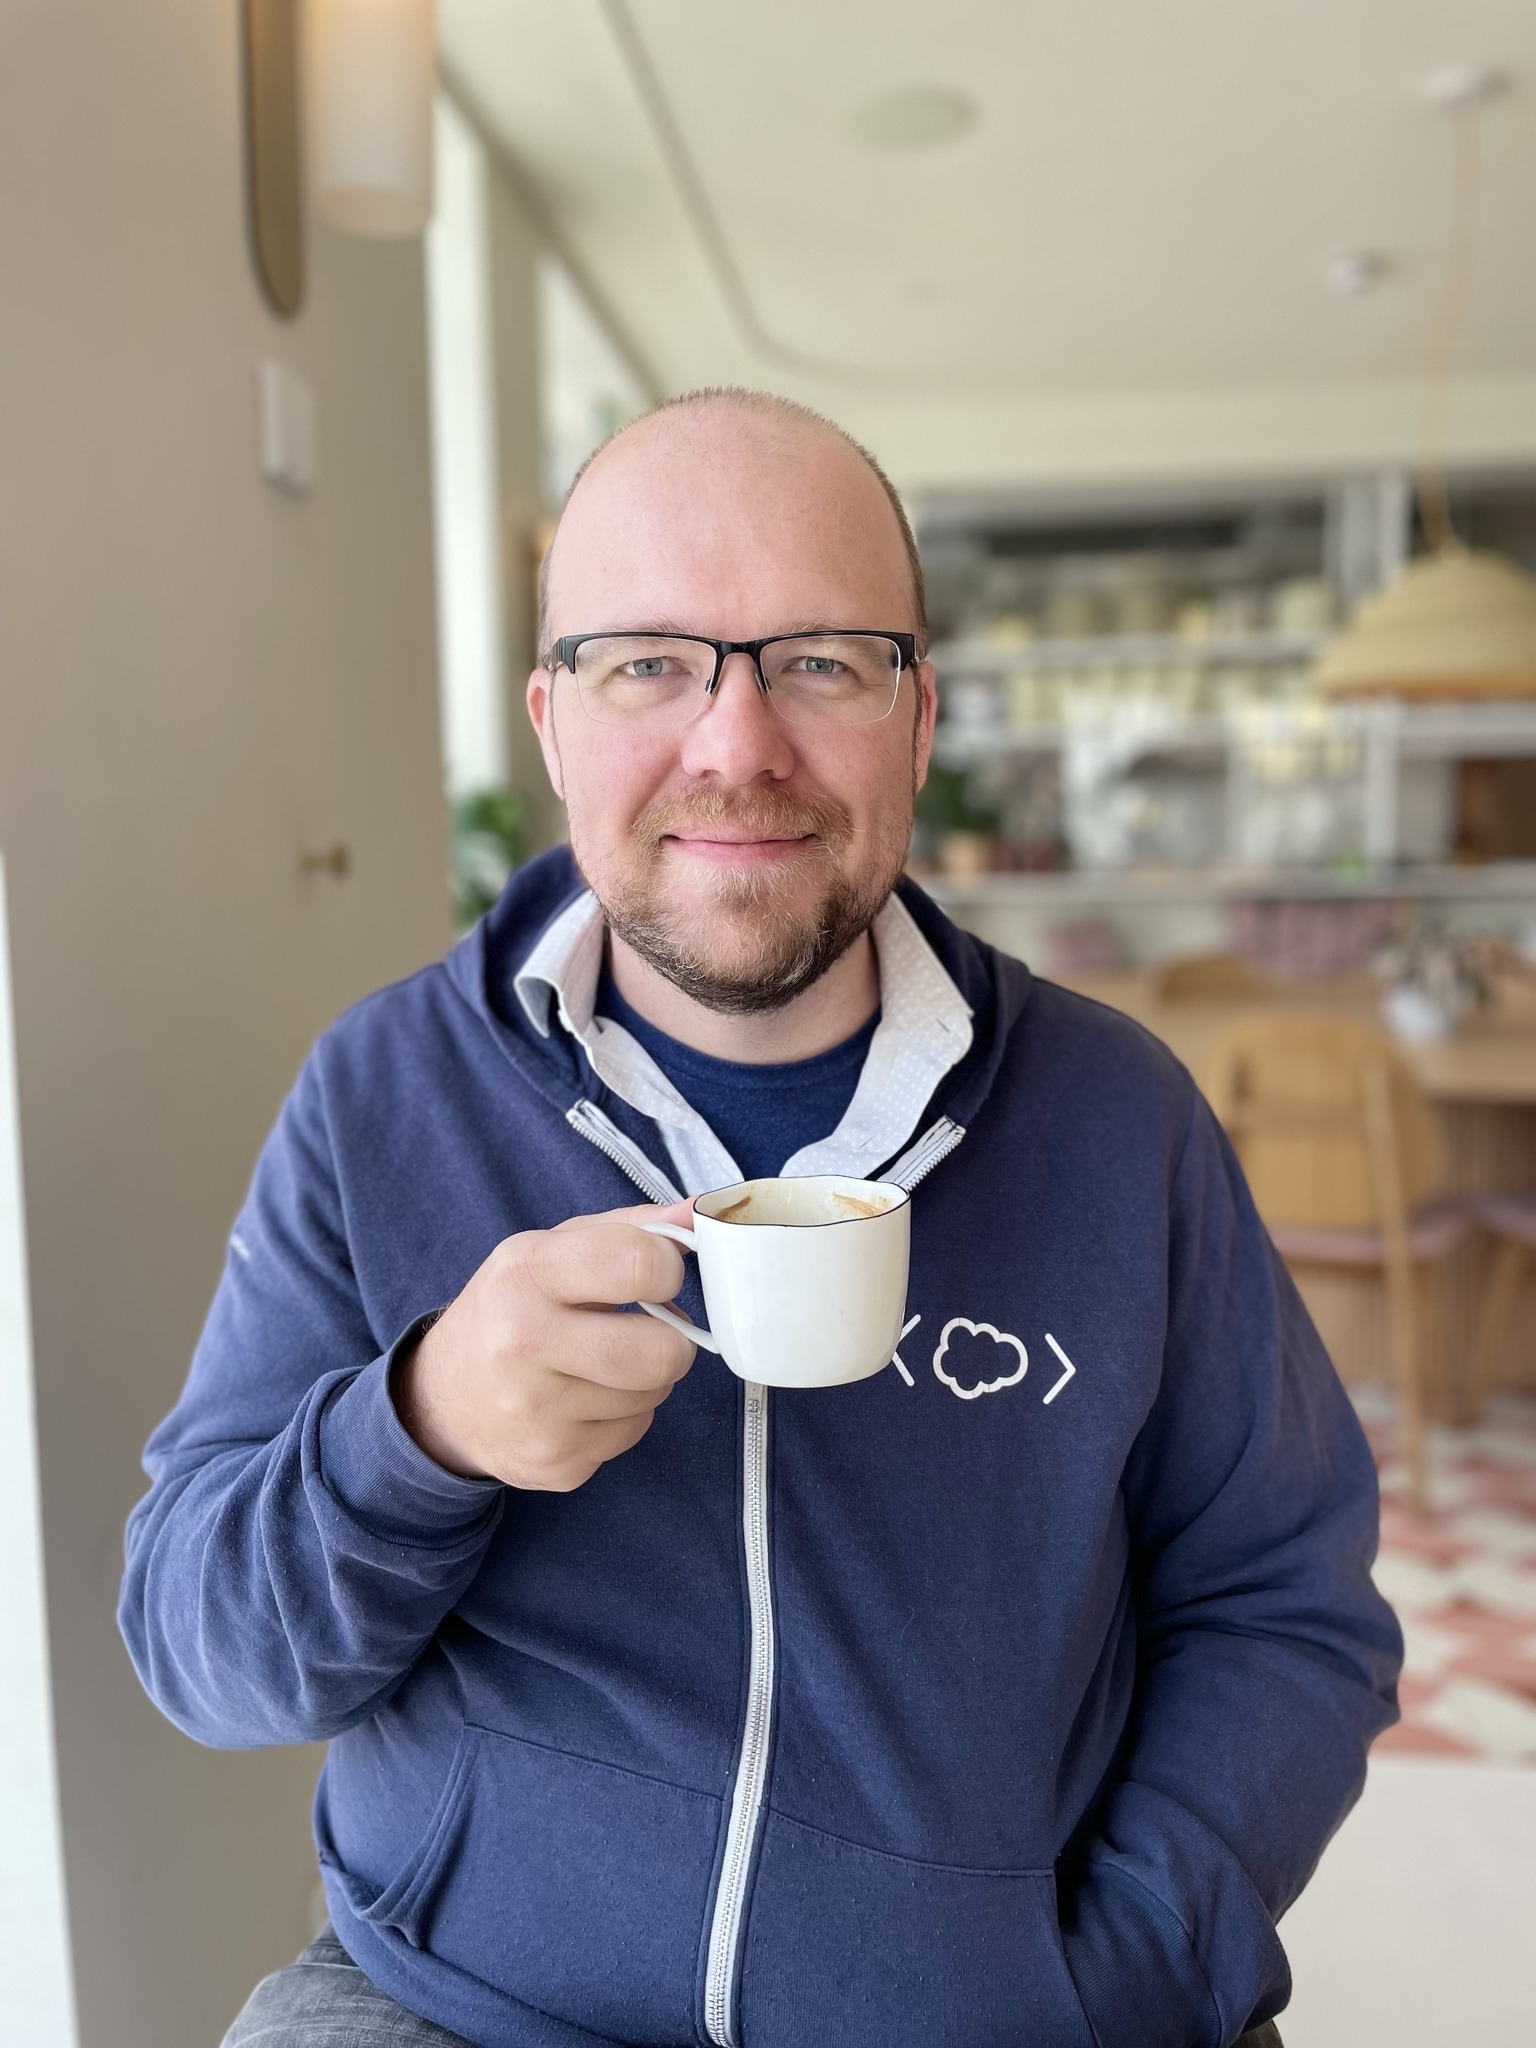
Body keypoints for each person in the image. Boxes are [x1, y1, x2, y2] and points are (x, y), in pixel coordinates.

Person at [121, 389, 1400, 2048]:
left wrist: (1117, 1977)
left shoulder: (1118, 1123)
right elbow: (202, 1653)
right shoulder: (383, 1093)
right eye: (647, 660)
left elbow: (1287, 1609)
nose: (735, 744)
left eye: (820, 659)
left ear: (918, 714)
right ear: (554, 719)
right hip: (458, 2003)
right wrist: (415, 1430)